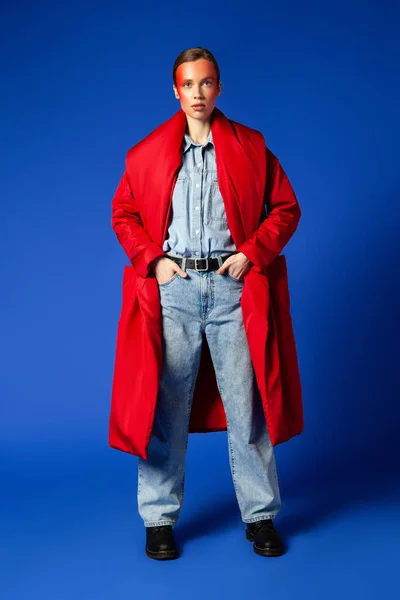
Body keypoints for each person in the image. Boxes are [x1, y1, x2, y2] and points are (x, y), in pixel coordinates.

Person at [109, 46, 303, 560]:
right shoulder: (146, 153)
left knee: (248, 408)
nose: (197, 94)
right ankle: (158, 519)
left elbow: (285, 208)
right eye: (188, 85)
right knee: (163, 410)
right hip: (174, 291)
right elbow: (124, 214)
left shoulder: (251, 147)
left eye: (207, 83)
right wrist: (153, 260)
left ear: (220, 87)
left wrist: (252, 253)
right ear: (175, 91)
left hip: (230, 290)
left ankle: (260, 517)